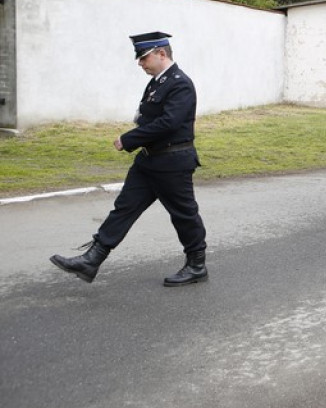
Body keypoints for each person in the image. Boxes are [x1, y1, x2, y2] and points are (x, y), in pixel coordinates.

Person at [50, 32, 209, 286]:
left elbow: (169, 122)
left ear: (161, 54)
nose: (140, 63)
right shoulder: (157, 82)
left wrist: (130, 138)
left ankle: (197, 264)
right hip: (149, 160)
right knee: (124, 208)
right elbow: (147, 115)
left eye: (144, 57)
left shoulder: (180, 83)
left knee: (183, 214)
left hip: (172, 162)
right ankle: (92, 259)